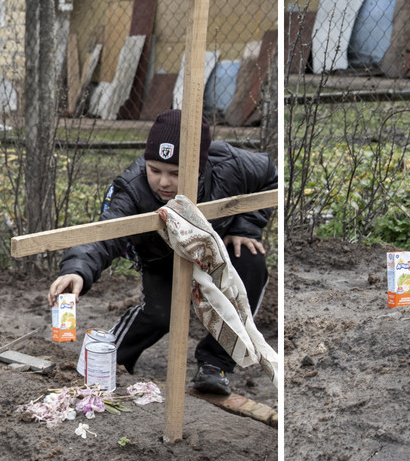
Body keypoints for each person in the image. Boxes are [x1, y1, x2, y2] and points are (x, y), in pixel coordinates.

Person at [49, 109, 276, 394]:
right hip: (161, 256)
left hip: (214, 248)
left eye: (176, 173)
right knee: (161, 313)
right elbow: (104, 233)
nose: (164, 182)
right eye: (155, 170)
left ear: (200, 167)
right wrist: (76, 270)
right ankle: (114, 356)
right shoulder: (132, 189)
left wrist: (246, 226)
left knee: (251, 264)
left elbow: (271, 178)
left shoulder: (231, 165)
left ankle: (215, 363)